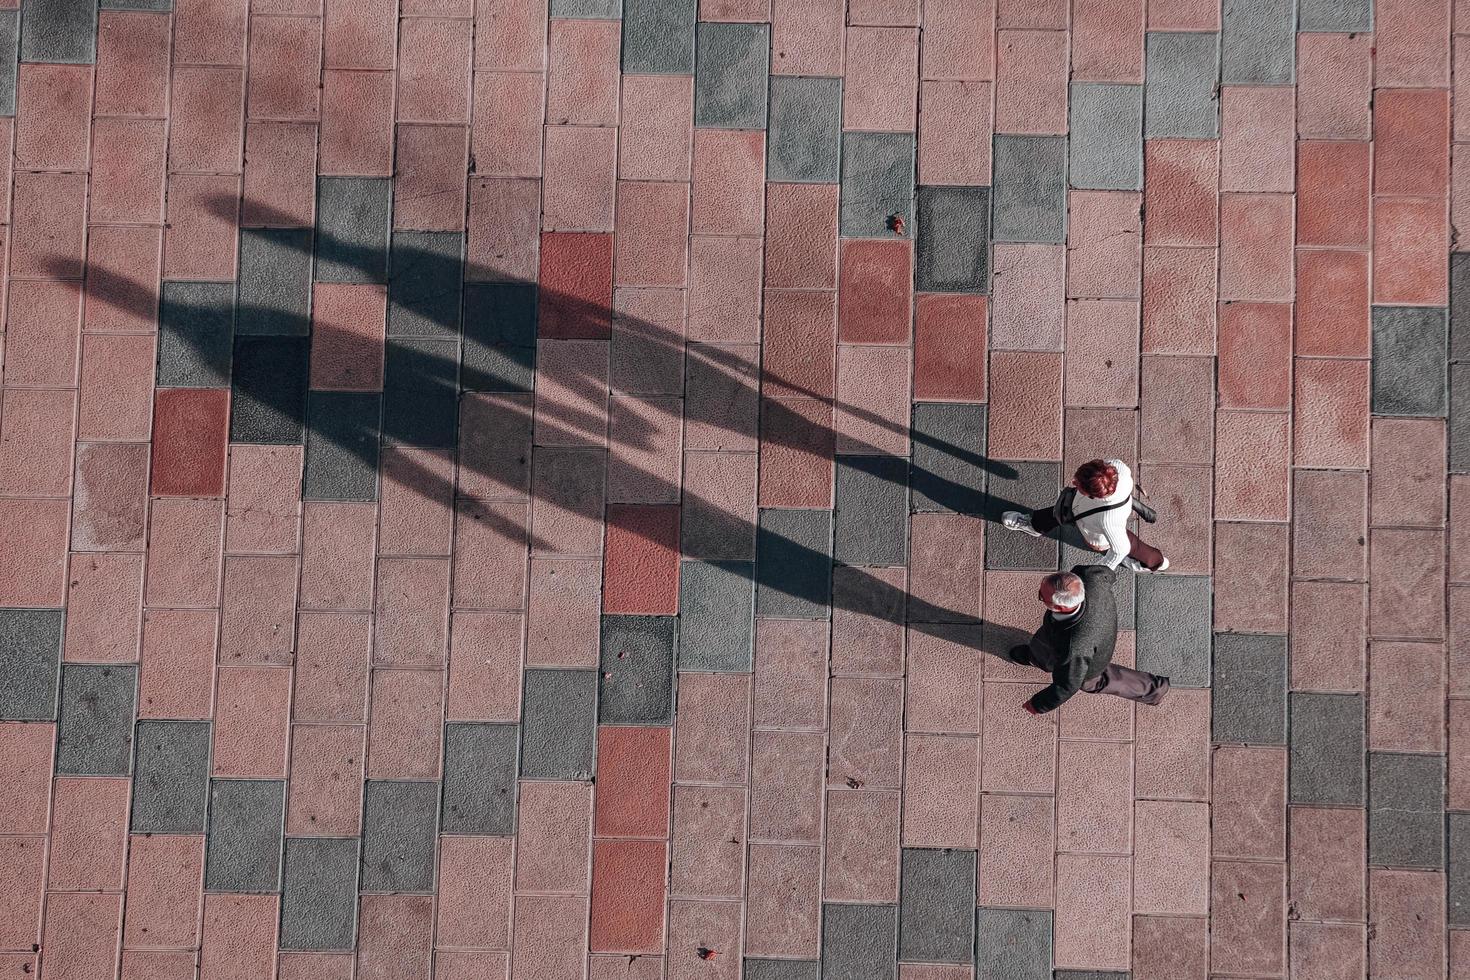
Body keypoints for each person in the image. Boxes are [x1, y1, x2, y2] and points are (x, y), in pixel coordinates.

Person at [1009, 568, 1169, 714]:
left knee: (1093, 681)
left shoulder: (1076, 646)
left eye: (1041, 597)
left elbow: (1067, 685)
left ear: (1060, 607)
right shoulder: (1089, 577)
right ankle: (1036, 657)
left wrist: (1038, 704)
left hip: (1091, 654)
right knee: (1047, 643)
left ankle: (1154, 689)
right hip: (1077, 631)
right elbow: (1105, 573)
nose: (1039, 595)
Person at [1001, 458, 1169, 572]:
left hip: (1094, 532)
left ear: (1095, 496)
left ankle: (1155, 562)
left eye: (1078, 485)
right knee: (1057, 513)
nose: (1074, 482)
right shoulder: (1117, 467)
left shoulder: (1108, 521)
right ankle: (1034, 525)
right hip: (1079, 509)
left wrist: (1099, 572)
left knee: (1125, 544)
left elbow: (1121, 548)